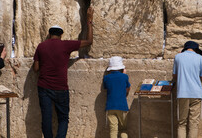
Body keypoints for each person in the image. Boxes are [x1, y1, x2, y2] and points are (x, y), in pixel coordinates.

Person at [33, 7, 94, 138]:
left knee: (46, 118)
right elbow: (89, 41)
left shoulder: (41, 46)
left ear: (49, 34)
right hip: (61, 87)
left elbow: (36, 68)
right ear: (61, 35)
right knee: (63, 118)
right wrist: (89, 21)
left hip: (44, 87)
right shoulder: (66, 45)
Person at [173, 41, 202, 138]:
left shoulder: (178, 57)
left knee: (182, 123)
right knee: (194, 123)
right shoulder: (200, 58)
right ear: (196, 50)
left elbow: (174, 75)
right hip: (196, 93)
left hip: (182, 93)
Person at [103, 56, 131, 138]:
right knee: (123, 129)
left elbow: (106, 88)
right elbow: (128, 88)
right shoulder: (125, 77)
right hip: (122, 106)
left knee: (113, 129)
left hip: (110, 106)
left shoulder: (106, 78)